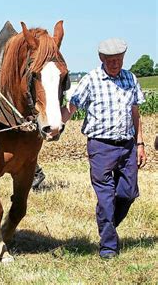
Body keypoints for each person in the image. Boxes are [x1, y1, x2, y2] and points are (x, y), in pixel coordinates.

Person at [61, 38, 147, 259]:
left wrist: (140, 143)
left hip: (127, 145)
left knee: (128, 194)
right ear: (101, 59)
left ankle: (106, 223)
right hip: (101, 146)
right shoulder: (91, 79)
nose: (115, 63)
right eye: (110, 60)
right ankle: (108, 246)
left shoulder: (130, 78)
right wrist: (55, 123)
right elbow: (72, 106)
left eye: (118, 59)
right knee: (106, 198)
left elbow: (135, 113)